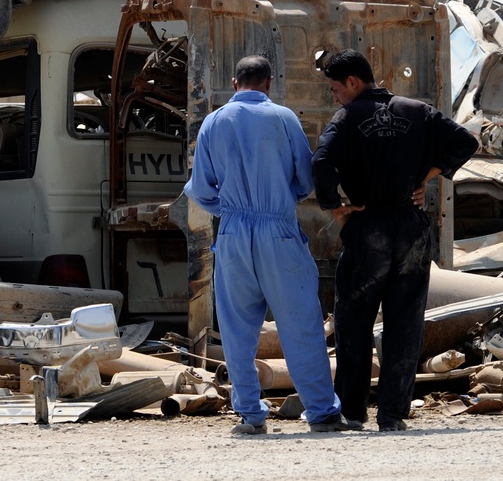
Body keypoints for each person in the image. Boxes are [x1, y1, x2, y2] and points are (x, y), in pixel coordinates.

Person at [185, 55, 356, 435]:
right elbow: (304, 179)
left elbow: (200, 190)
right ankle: (322, 412)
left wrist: (230, 208)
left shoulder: (213, 122)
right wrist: (277, 200)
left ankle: (250, 413)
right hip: (278, 231)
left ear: (234, 82)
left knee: (236, 329)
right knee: (301, 323)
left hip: (232, 233)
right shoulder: (283, 118)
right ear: (269, 82)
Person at [312, 49, 478, 432]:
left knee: (354, 321)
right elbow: (465, 142)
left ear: (353, 82)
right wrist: (426, 177)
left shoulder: (348, 117)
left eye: (336, 89)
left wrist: (335, 207)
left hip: (368, 225)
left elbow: (321, 161)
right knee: (405, 323)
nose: (335, 97)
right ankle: (392, 415)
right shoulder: (418, 111)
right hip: (410, 227)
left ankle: (353, 413)